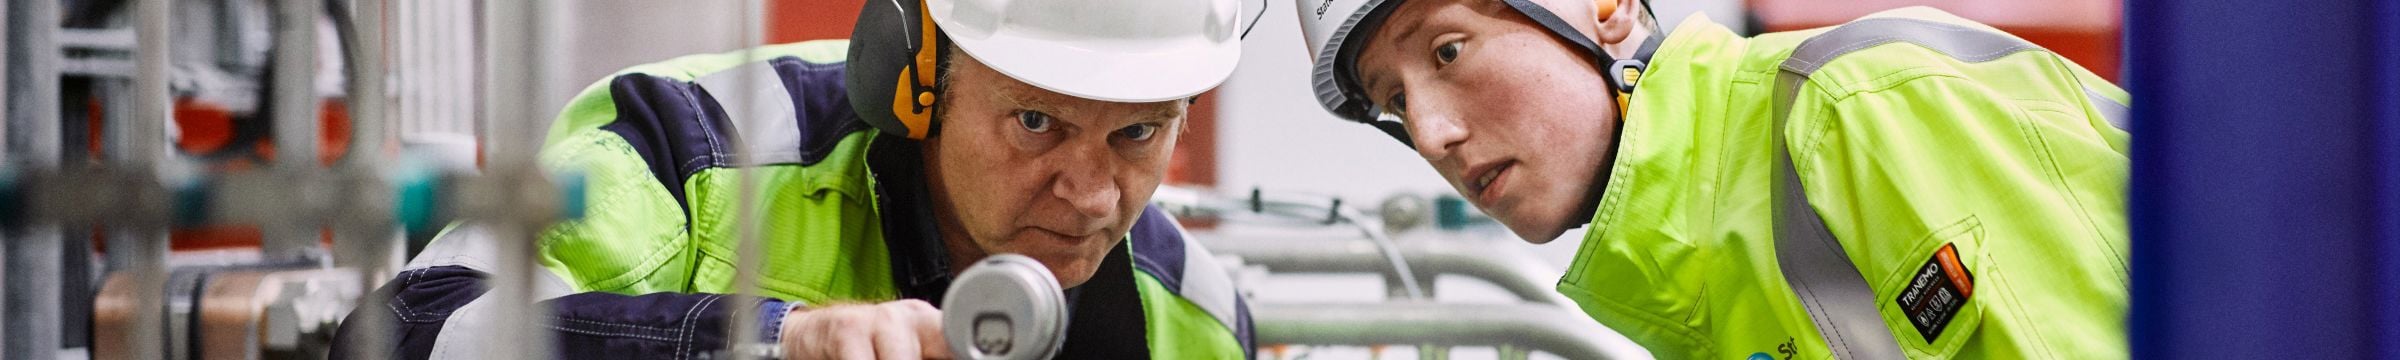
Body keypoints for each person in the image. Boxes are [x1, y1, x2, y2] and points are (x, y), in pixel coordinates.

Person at [333, 0, 1255, 358]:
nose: (1093, 197)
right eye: (1036, 123)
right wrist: (777, 343)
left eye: (1139, 132)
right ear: (916, 76)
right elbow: (409, 330)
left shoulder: (1194, 321)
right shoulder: (692, 150)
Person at [1293, 0, 2129, 358]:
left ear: (1608, 9)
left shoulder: (1852, 107)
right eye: (1394, 101)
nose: (1433, 133)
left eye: (1448, 49)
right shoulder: (1676, 277)